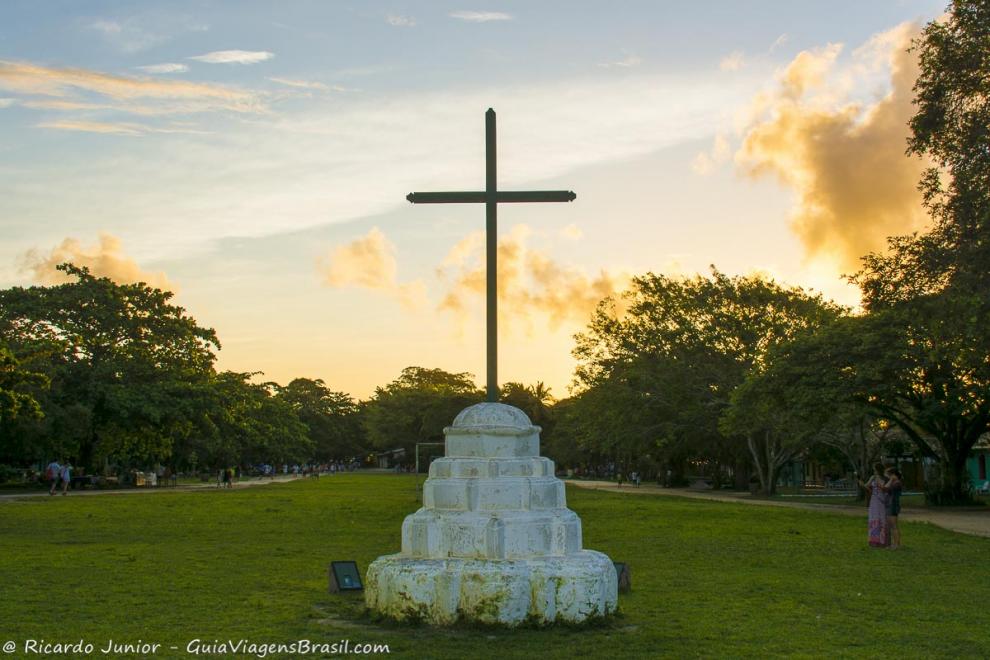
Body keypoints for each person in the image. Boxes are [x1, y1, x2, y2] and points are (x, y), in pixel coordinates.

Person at [858, 463, 889, 547]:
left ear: (876, 469)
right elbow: (869, 488)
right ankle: (881, 541)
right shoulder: (885, 478)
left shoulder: (875, 477)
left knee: (876, 517)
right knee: (881, 518)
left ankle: (877, 541)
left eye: (874, 469)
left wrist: (862, 484)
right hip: (879, 499)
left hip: (877, 500)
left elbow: (867, 487)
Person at [884, 467, 904, 549]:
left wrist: (891, 480)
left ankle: (896, 544)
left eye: (888, 475)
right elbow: (885, 488)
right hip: (889, 505)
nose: (888, 477)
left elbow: (885, 488)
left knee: (894, 526)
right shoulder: (894, 482)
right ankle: (895, 543)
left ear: (893, 475)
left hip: (893, 505)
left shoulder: (897, 483)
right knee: (891, 526)